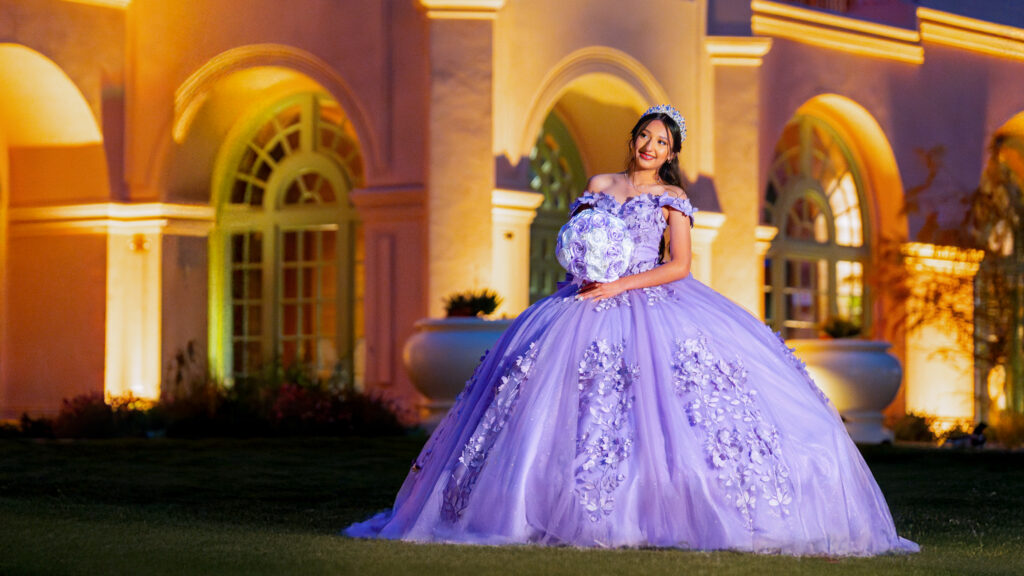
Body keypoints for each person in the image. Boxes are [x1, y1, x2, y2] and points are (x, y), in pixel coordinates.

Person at [344, 105, 919, 556]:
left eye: (662, 142)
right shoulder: (599, 181)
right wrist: (585, 269)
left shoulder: (673, 198)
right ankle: (526, 502)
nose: (650, 147)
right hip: (579, 301)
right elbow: (571, 240)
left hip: (649, 298)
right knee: (555, 401)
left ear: (672, 153)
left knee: (659, 408)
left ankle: (650, 506)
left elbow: (679, 266)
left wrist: (619, 285)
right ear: (634, 139)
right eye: (645, 136)